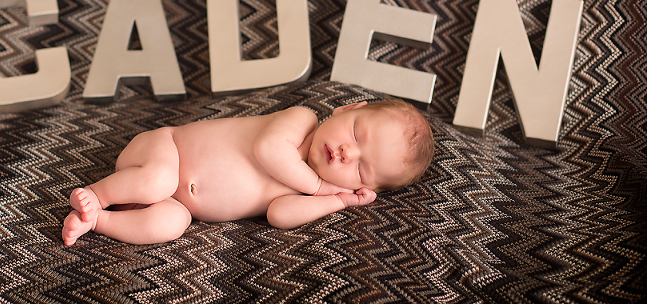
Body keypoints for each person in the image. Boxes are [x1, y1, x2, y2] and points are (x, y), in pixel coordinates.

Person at [62, 98, 434, 246]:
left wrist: (336, 201)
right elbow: (267, 150)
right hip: (164, 150)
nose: (345, 151)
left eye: (361, 167)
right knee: (158, 179)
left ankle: (96, 222)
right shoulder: (301, 121)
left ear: (365, 186)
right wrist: (320, 185)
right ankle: (98, 194)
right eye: (355, 133)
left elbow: (279, 215)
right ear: (346, 109)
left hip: (181, 206)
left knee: (169, 226)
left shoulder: (311, 193)